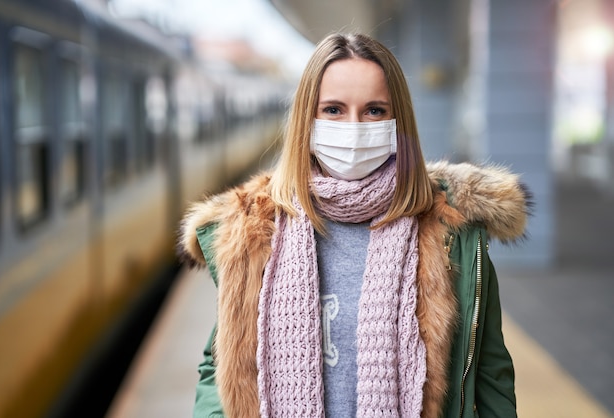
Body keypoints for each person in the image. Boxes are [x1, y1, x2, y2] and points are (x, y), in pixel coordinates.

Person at [179, 32, 529, 418]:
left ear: (399, 123)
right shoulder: (254, 231)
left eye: (374, 110)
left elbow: (490, 376)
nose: (354, 127)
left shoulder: (453, 233)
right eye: (333, 109)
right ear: (306, 121)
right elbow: (222, 368)